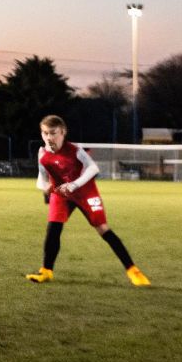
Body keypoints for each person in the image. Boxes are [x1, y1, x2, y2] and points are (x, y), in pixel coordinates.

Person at [25, 115, 151, 287]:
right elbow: (41, 179)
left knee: (103, 229)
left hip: (86, 193)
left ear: (63, 132)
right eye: (45, 133)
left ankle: (134, 272)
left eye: (53, 133)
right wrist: (44, 186)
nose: (49, 137)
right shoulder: (42, 154)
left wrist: (74, 184)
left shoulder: (75, 150)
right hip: (61, 194)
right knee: (53, 228)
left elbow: (93, 168)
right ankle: (46, 271)